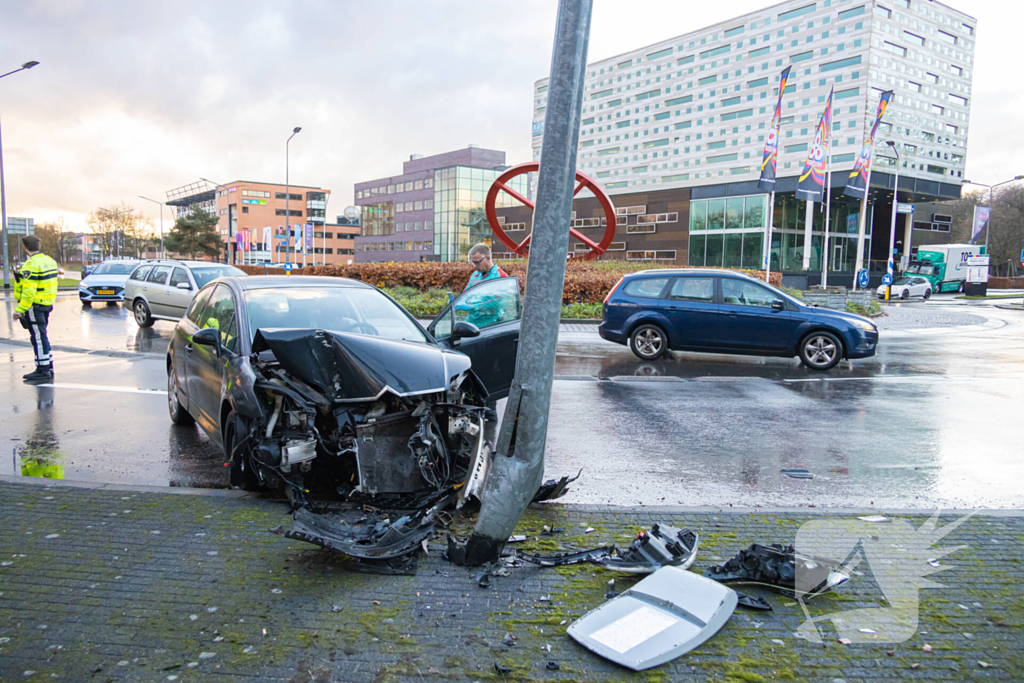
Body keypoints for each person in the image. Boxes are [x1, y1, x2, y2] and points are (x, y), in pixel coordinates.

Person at [13, 235, 59, 382]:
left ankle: (42, 369)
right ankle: (48, 365)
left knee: (38, 338)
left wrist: (19, 310)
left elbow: (29, 291)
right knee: (42, 335)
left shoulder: (31, 265)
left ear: (25, 248)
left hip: (35, 305)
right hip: (47, 303)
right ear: (38, 246)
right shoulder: (49, 261)